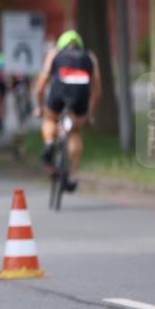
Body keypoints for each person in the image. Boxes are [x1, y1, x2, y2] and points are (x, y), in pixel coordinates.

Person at [34, 30, 102, 192]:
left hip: (59, 92)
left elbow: (40, 87)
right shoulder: (90, 57)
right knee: (75, 132)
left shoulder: (55, 54)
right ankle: (72, 173)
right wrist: (90, 115)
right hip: (80, 96)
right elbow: (98, 91)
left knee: (50, 119)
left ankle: (49, 143)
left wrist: (40, 107)